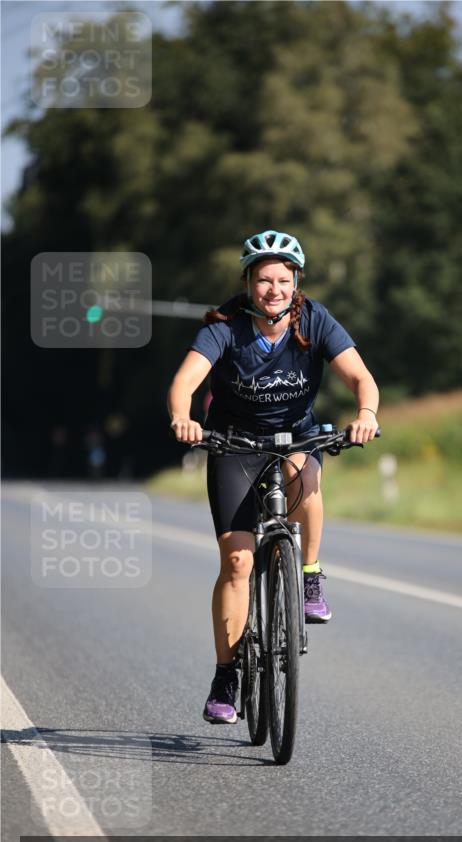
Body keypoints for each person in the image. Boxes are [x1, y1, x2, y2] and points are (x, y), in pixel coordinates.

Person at [167, 230, 379, 725]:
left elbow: (360, 377)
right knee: (238, 562)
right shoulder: (225, 325)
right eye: (264, 280)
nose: (274, 289)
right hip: (234, 444)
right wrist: (183, 417)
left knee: (304, 470)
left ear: (296, 282)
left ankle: (308, 575)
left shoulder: (314, 319)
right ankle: (226, 675)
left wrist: (366, 411)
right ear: (247, 282)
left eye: (284, 280)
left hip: (294, 437)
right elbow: (184, 381)